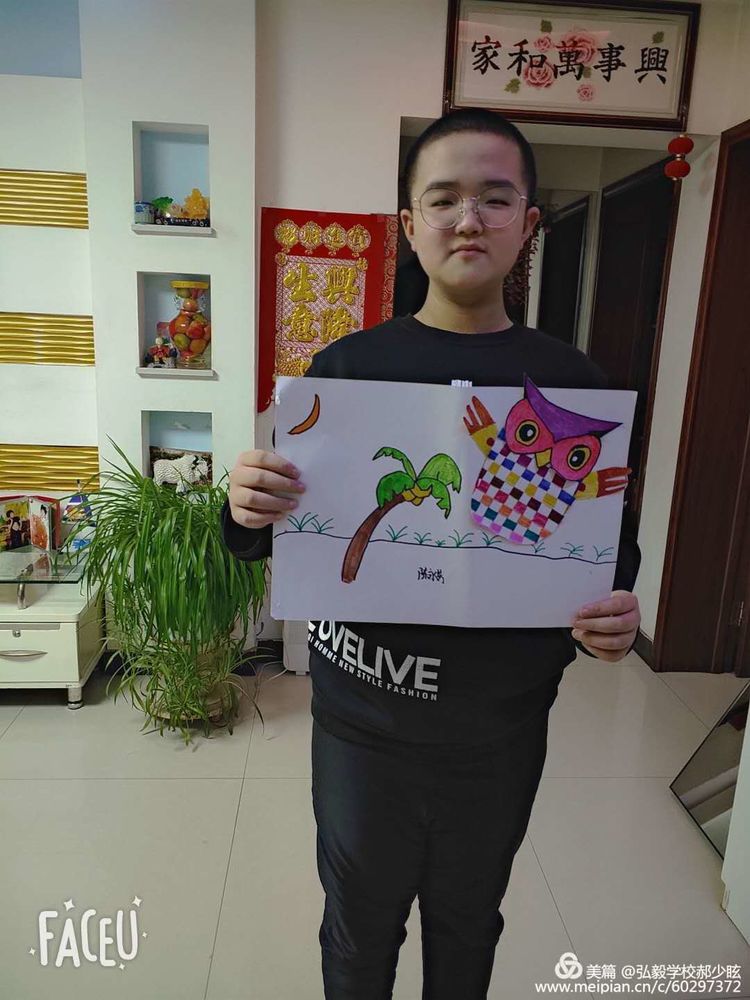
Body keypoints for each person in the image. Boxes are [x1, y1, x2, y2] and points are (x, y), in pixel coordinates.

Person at [222, 108, 642, 1000]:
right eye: (444, 199)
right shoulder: (344, 372)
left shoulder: (576, 385)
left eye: (496, 199)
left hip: (499, 730)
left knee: (468, 922)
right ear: (409, 225)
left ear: (529, 224)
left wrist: (611, 619)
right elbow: (260, 540)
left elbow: (611, 562)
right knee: (358, 926)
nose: (468, 219)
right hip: (361, 722)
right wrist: (246, 504)